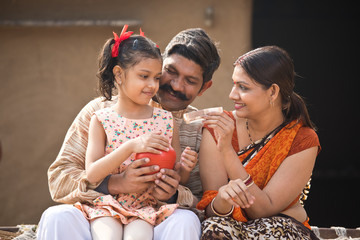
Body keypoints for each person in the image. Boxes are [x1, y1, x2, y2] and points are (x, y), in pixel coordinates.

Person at [36, 27, 220, 240]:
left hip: (154, 219)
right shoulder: (100, 113)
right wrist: (114, 183)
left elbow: (205, 202)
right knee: (56, 217)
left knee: (186, 221)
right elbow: (60, 180)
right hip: (100, 216)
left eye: (190, 81)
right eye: (170, 72)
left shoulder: (199, 129)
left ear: (204, 87)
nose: (176, 85)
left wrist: (173, 194)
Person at [72, 25, 199, 240]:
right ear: (119, 75)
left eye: (157, 78)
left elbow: (177, 177)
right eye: (144, 76)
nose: (152, 85)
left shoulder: (166, 121)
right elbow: (92, 174)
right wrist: (131, 146)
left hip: (146, 208)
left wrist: (184, 167)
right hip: (108, 207)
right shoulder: (101, 119)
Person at [196, 46, 320, 239]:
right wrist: (222, 200)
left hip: (280, 230)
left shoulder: (302, 139)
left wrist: (227, 151)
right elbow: (211, 211)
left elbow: (263, 209)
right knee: (214, 228)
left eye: (243, 87)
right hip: (227, 228)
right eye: (234, 84)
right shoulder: (218, 128)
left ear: (272, 92)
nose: (232, 95)